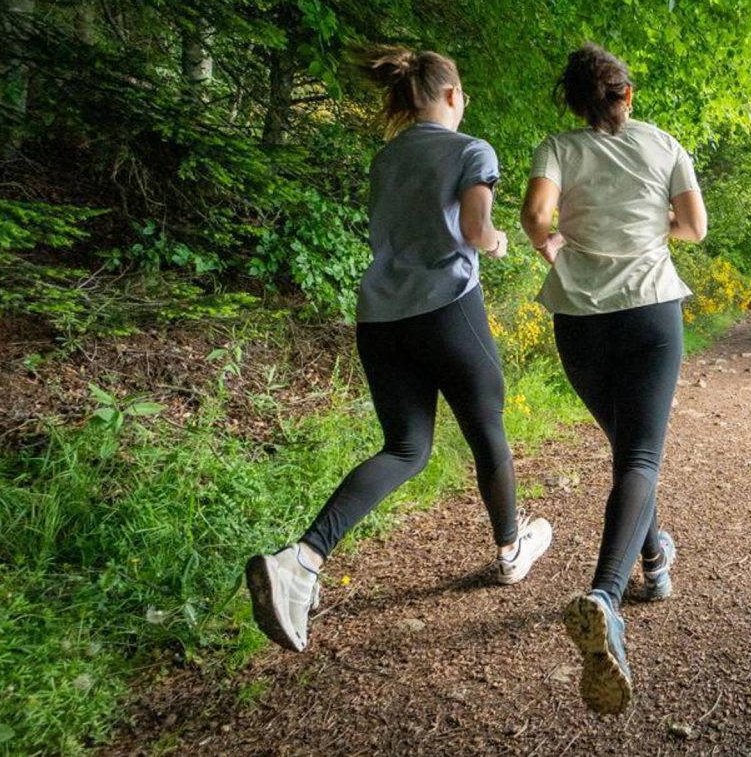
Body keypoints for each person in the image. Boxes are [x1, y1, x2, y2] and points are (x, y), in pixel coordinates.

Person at [245, 46, 553, 653]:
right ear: (449, 95)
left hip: (380, 316)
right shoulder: (472, 150)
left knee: (407, 446)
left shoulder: (386, 158)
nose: (465, 104)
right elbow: (472, 227)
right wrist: (493, 245)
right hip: (446, 308)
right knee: (486, 425)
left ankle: (300, 562)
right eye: (462, 94)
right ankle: (510, 549)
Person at [520, 43, 707, 714]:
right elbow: (694, 226)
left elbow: (537, 216)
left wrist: (554, 245)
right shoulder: (663, 144)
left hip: (581, 319)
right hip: (652, 311)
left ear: (573, 101)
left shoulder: (556, 149)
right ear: (624, 93)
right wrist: (653, 224)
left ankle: (655, 563)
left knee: (628, 449)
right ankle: (606, 595)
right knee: (640, 455)